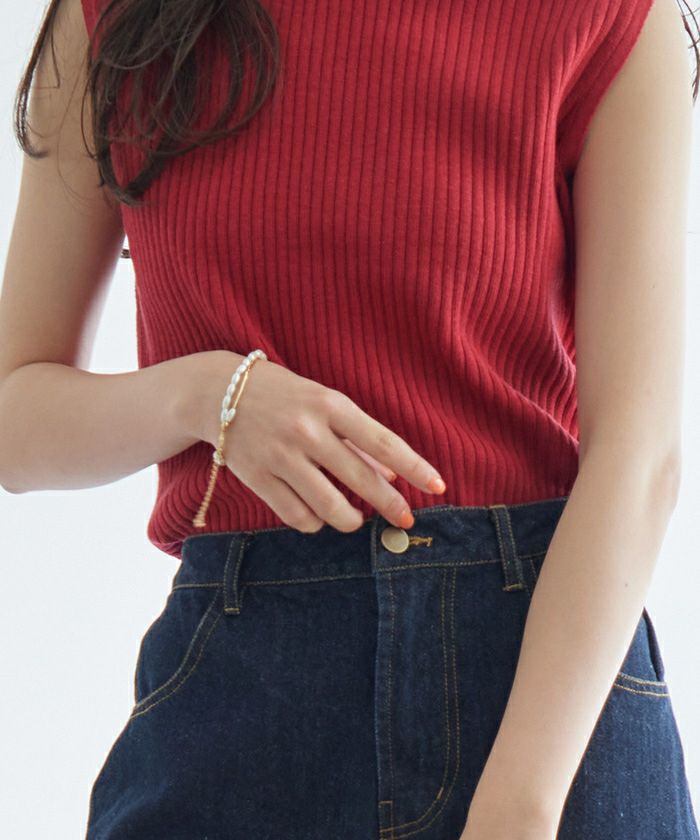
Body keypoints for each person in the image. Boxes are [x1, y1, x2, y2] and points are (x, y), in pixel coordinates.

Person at [1, 0, 699, 837]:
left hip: (551, 701)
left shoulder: (611, 16)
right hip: (244, 700)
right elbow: (15, 418)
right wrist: (207, 396)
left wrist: (520, 805)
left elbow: (639, 455)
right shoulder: (115, 17)